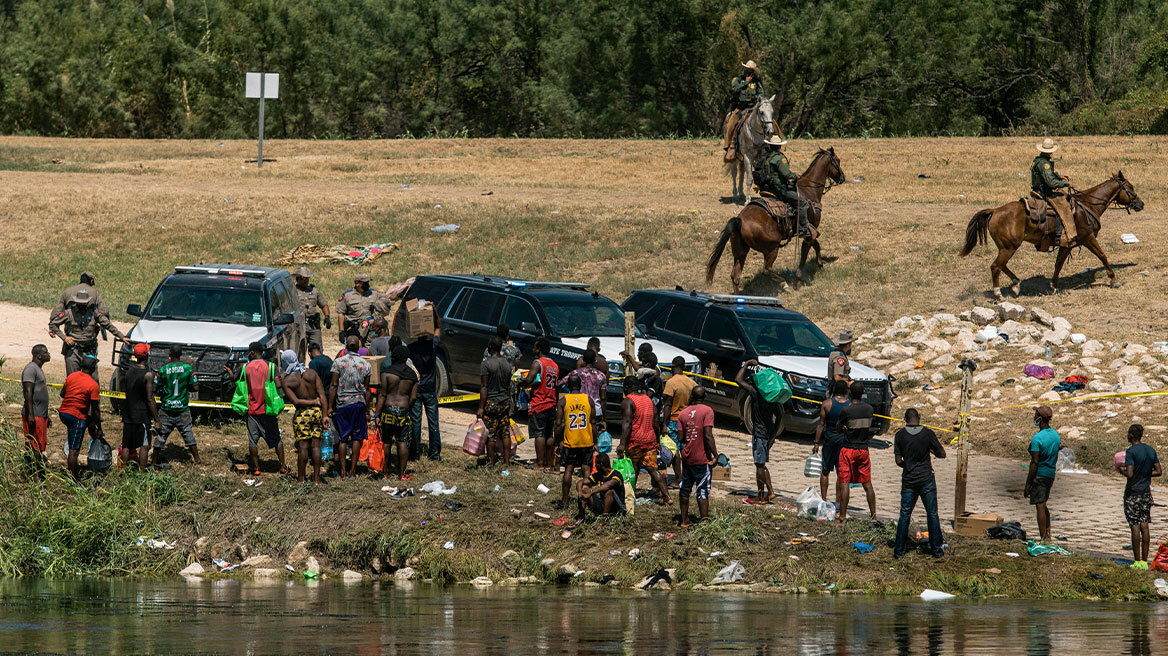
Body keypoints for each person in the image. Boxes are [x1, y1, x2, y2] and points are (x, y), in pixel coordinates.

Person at [892, 409, 946, 559]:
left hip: (909, 480)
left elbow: (898, 461)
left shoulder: (900, 435)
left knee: (904, 515)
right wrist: (931, 451)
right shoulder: (928, 433)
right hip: (926, 478)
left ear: (905, 419)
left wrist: (908, 465)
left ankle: (899, 551)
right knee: (932, 514)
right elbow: (942, 454)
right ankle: (937, 550)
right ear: (919, 418)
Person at [618, 376, 672, 504]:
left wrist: (621, 444)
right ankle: (667, 496)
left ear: (626, 388)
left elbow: (627, 424)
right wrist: (657, 441)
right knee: (653, 469)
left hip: (635, 442)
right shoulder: (649, 401)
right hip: (650, 441)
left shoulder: (628, 401)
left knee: (633, 468)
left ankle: (630, 494)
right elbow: (655, 423)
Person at [48, 287, 126, 375]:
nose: (82, 305)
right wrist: (65, 338)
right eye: (80, 303)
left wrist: (122, 336)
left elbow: (107, 324)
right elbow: (53, 324)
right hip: (73, 351)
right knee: (73, 379)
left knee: (93, 380)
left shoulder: (94, 313)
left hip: (89, 350)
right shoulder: (68, 313)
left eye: (84, 303)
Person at [280, 349, 328, 484]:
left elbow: (296, 401)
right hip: (317, 413)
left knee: (303, 447)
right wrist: (324, 415)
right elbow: (322, 395)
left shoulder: (288, 381)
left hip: (302, 414)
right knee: (316, 446)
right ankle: (317, 480)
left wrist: (312, 402)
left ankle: (301, 479)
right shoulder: (312, 373)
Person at [150, 344, 202, 468]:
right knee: (188, 433)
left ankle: (154, 461)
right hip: (182, 409)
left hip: (166, 409)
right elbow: (195, 387)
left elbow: (154, 388)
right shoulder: (188, 369)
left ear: (170, 354)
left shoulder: (162, 370)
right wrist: (185, 387)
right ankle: (197, 460)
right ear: (180, 354)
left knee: (161, 435)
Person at [737, 360, 780, 504]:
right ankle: (770, 492)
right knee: (762, 464)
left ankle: (761, 496)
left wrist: (746, 364)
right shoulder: (772, 397)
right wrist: (774, 434)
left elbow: (738, 380)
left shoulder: (756, 394)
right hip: (768, 432)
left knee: (759, 465)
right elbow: (779, 416)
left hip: (760, 433)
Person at [328, 336, 372, 478]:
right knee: (356, 438)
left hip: (343, 404)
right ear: (359, 347)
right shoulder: (366, 365)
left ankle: (342, 471)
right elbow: (367, 389)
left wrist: (330, 406)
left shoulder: (338, 363)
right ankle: (353, 471)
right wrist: (366, 409)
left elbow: (334, 385)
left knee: (343, 438)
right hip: (359, 404)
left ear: (346, 346)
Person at [755, 135, 815, 239]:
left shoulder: (765, 157)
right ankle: (803, 229)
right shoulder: (779, 158)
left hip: (766, 189)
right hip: (779, 189)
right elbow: (786, 174)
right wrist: (795, 175)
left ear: (769, 145)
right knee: (802, 202)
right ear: (779, 147)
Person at [243, 342, 288, 476]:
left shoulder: (246, 367)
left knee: (253, 440)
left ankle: (256, 469)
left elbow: (235, 379)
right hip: (268, 409)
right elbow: (279, 385)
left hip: (252, 410)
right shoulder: (271, 367)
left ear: (251, 353)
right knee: (277, 439)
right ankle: (283, 467)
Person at [376, 345, 419, 480]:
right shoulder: (412, 376)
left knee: (387, 441)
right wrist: (406, 409)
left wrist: (377, 414)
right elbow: (413, 397)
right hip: (404, 411)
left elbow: (382, 395)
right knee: (402, 442)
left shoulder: (387, 373)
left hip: (388, 410)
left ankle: (385, 472)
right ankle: (402, 474)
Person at [836, 381, 876, 522]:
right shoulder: (869, 409)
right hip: (863, 449)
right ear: (862, 393)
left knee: (844, 482)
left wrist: (844, 428)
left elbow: (839, 428)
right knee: (867, 484)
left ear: (850, 393)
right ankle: (873, 516)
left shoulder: (847, 410)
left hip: (848, 448)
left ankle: (842, 516)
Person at [556, 376, 598, 510]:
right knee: (586, 470)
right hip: (586, 441)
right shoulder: (588, 400)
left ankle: (565, 501)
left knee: (568, 469)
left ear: (568, 385)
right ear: (580, 385)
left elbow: (558, 424)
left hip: (571, 442)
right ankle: (587, 500)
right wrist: (595, 441)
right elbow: (593, 423)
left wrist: (558, 442)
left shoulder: (563, 401)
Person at [58, 354, 102, 480]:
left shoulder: (72, 376)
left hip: (63, 413)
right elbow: (95, 410)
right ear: (93, 368)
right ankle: (73, 479)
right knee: (74, 450)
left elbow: (62, 394)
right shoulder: (93, 385)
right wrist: (99, 426)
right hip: (75, 417)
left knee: (85, 423)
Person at [1123, 424, 1161, 568]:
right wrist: (1145, 474)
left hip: (1133, 493)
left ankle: (1137, 561)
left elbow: (1130, 474)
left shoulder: (1131, 452)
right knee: (1145, 525)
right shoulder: (1150, 450)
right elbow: (1159, 471)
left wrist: (1122, 470)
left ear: (1132, 435)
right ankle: (1145, 562)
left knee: (1135, 526)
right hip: (1146, 493)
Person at [677, 387, 717, 527]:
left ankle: (684, 520)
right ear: (705, 396)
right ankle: (704, 520)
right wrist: (715, 455)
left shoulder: (682, 413)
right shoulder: (707, 411)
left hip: (687, 456)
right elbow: (708, 435)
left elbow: (680, 437)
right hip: (702, 457)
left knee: (685, 489)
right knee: (702, 490)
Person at [522, 337, 561, 471]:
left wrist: (519, 382)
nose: (533, 349)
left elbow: (529, 380)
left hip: (539, 403)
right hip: (551, 403)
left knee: (539, 433)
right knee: (549, 434)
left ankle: (539, 463)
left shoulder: (537, 363)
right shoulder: (555, 366)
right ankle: (548, 463)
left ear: (538, 349)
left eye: (534, 347)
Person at [407, 315, 443, 462]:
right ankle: (434, 454)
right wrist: (433, 311)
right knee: (433, 422)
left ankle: (415, 453)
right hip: (430, 390)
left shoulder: (411, 348)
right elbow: (438, 328)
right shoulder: (432, 346)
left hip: (416, 390)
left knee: (415, 422)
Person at [1024, 405, 1060, 541]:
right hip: (1050, 473)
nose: (1034, 417)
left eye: (1035, 415)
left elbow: (1034, 462)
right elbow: (1055, 456)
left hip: (1040, 474)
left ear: (1040, 419)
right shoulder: (1055, 436)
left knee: (1039, 506)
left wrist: (1028, 484)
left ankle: (1043, 538)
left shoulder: (1037, 439)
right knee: (1044, 503)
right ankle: (1048, 534)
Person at [1030, 138, 1074, 251]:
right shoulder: (1045, 164)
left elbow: (1046, 176)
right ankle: (1059, 235)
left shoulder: (1038, 160)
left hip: (1037, 189)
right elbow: (1051, 182)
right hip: (1044, 191)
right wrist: (1066, 183)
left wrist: (1059, 176)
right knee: (1063, 206)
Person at [477, 337, 514, 467]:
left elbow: (484, 387)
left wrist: (481, 407)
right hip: (504, 402)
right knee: (505, 433)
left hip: (491, 403)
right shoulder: (507, 364)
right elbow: (509, 387)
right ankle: (507, 462)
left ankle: (491, 462)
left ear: (490, 347)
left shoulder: (486, 364)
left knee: (491, 434)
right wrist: (509, 403)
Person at [813, 379, 850, 502]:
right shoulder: (850, 405)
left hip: (829, 440)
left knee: (825, 470)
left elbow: (821, 424)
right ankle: (838, 501)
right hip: (843, 441)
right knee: (841, 473)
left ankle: (823, 499)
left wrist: (816, 443)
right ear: (846, 391)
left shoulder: (827, 404)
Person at [122, 342, 155, 470]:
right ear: (147, 355)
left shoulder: (129, 372)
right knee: (145, 445)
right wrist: (156, 419)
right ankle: (142, 471)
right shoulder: (148, 374)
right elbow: (149, 398)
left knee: (127, 444)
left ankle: (123, 470)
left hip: (129, 413)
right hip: (142, 415)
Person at [721, 60, 765, 153]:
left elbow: (761, 93)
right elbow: (734, 90)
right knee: (731, 123)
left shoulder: (756, 82)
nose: (748, 71)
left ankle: (773, 142)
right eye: (747, 69)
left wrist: (760, 98)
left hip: (753, 108)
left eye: (751, 70)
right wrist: (745, 82)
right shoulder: (737, 80)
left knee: (768, 120)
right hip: (740, 107)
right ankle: (730, 145)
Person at [21, 344, 51, 474]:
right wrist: (31, 415)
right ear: (39, 355)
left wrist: (46, 416)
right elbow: (28, 392)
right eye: (46, 352)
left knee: (34, 444)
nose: (48, 354)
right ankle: (37, 475)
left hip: (40, 414)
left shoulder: (37, 369)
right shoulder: (30, 369)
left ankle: (29, 472)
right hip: (35, 414)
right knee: (36, 445)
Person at [335, 273, 383, 344]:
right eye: (365, 283)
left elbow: (387, 299)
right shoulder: (347, 295)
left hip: (369, 331)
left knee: (369, 351)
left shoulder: (374, 293)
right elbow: (341, 314)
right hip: (354, 330)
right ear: (357, 284)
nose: (368, 284)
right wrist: (341, 332)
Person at [565, 348, 608, 427]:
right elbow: (603, 398)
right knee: (594, 435)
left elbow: (560, 383)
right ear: (595, 360)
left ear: (583, 360)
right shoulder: (601, 376)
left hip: (579, 409)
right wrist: (604, 418)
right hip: (596, 411)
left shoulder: (575, 373)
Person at [576, 452, 626, 519]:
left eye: (596, 463)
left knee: (610, 492)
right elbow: (581, 482)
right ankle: (581, 517)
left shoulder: (616, 475)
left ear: (601, 464)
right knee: (585, 488)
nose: (595, 465)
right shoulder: (599, 474)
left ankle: (603, 519)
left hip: (618, 508)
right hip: (604, 504)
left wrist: (591, 493)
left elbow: (607, 486)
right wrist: (580, 491)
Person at [294, 267, 331, 351]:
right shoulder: (293, 292)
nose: (306, 280)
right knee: (299, 351)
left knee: (317, 349)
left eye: (307, 278)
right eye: (303, 278)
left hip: (313, 325)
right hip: (299, 326)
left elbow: (324, 305)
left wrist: (327, 317)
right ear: (297, 279)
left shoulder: (314, 291)